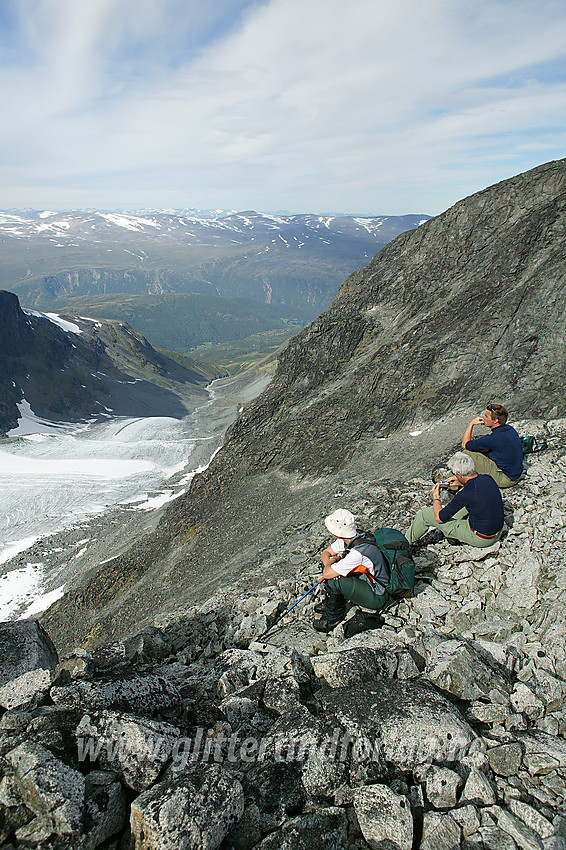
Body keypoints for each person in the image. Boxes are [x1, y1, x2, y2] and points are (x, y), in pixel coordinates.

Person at [313, 508, 389, 633]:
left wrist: (334, 561)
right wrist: (331, 562)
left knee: (333, 579)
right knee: (330, 569)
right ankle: (331, 601)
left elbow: (327, 573)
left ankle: (333, 617)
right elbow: (325, 553)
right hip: (368, 581)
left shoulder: (358, 553)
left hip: (377, 595)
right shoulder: (353, 538)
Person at [406, 452, 504, 548]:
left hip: (481, 538)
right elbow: (475, 489)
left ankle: (404, 543)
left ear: (459, 474)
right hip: (497, 532)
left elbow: (440, 518)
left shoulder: (465, 494)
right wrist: (462, 483)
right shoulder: (488, 478)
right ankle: (453, 536)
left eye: (455, 474)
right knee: (467, 507)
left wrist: (436, 497)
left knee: (425, 514)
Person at [462, 403, 523, 488]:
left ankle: (457, 480)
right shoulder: (509, 429)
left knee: (467, 453)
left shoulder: (492, 439)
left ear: (495, 420)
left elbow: (465, 444)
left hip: (505, 479)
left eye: (486, 416)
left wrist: (471, 424)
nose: (484, 418)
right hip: (516, 473)